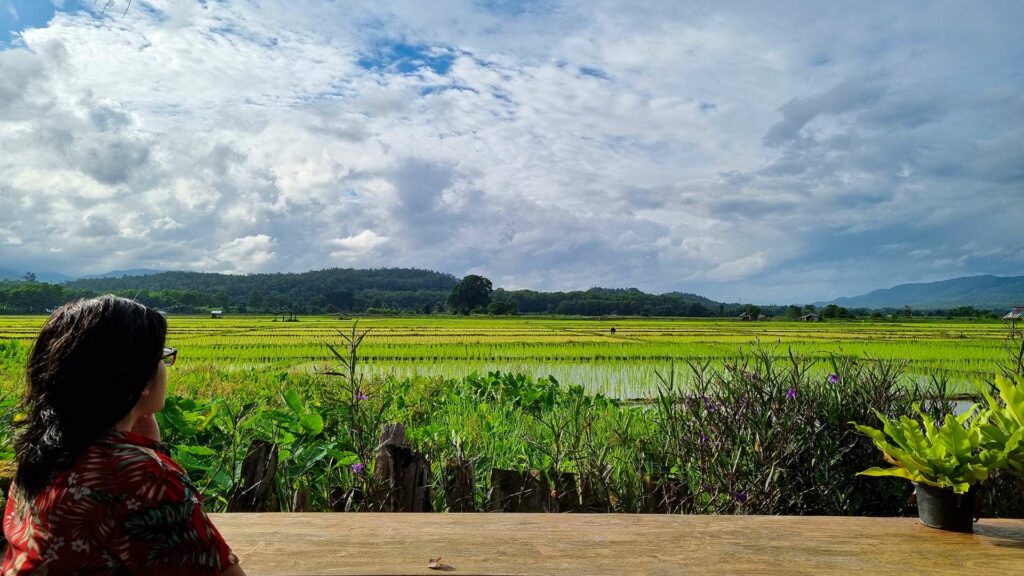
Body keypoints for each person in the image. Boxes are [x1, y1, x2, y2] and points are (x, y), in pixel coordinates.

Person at [3, 295, 245, 575]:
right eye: (162, 356)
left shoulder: (41, 455)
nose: (165, 365)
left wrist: (149, 447)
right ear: (139, 376)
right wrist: (150, 460)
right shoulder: (142, 477)